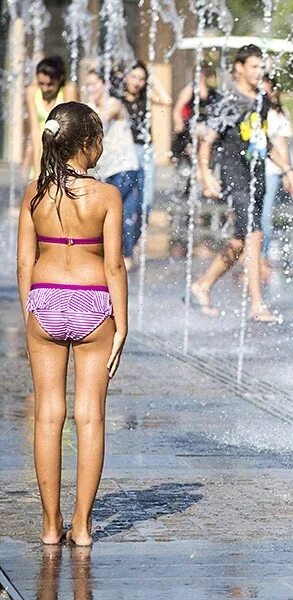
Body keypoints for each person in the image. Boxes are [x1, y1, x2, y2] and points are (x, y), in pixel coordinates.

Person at [16, 102, 128, 546]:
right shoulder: (106, 196)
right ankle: (81, 527)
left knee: (47, 415)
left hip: (44, 301)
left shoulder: (33, 193)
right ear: (86, 145)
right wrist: (122, 323)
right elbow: (115, 265)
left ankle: (49, 526)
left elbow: (25, 260)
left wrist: (31, 309)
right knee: (89, 417)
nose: (103, 146)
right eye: (100, 138)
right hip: (93, 303)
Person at [190, 45, 293, 321]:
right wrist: (204, 173)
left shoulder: (262, 100)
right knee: (254, 235)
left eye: (260, 67)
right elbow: (207, 140)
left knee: (239, 242)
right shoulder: (229, 101)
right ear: (239, 67)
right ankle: (257, 305)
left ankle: (202, 285)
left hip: (257, 175)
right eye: (253, 66)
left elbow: (264, 142)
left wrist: (288, 171)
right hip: (235, 176)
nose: (258, 72)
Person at [84, 70, 143, 272]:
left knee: (113, 211)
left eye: (94, 84)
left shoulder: (114, 104)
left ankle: (121, 256)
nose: (91, 89)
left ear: (104, 84)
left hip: (125, 167)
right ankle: (120, 256)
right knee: (121, 215)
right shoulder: (90, 107)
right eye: (88, 85)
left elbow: (99, 122)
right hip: (108, 171)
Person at [115, 61, 172, 225]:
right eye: (133, 77)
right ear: (126, 77)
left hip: (145, 149)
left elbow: (166, 100)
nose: (137, 82)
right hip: (126, 151)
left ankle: (140, 231)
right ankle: (125, 234)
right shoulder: (118, 99)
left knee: (146, 197)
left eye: (141, 79)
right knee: (126, 194)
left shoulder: (146, 97)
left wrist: (153, 80)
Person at [260, 73, 293, 262]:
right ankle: (246, 256)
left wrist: (287, 173)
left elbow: (281, 145)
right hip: (247, 169)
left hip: (270, 171)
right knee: (244, 215)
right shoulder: (250, 110)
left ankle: (262, 256)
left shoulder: (279, 115)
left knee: (264, 215)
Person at [23, 56, 78, 180]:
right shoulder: (32, 91)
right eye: (41, 83)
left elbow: (73, 131)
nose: (45, 88)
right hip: (41, 151)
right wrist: (38, 169)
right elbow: (35, 131)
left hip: (63, 154)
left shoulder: (68, 91)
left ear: (60, 79)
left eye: (50, 84)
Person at [171, 63, 220, 165]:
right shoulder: (190, 89)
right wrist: (179, 123)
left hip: (206, 127)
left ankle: (205, 167)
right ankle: (195, 165)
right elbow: (177, 109)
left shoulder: (212, 91)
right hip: (192, 127)